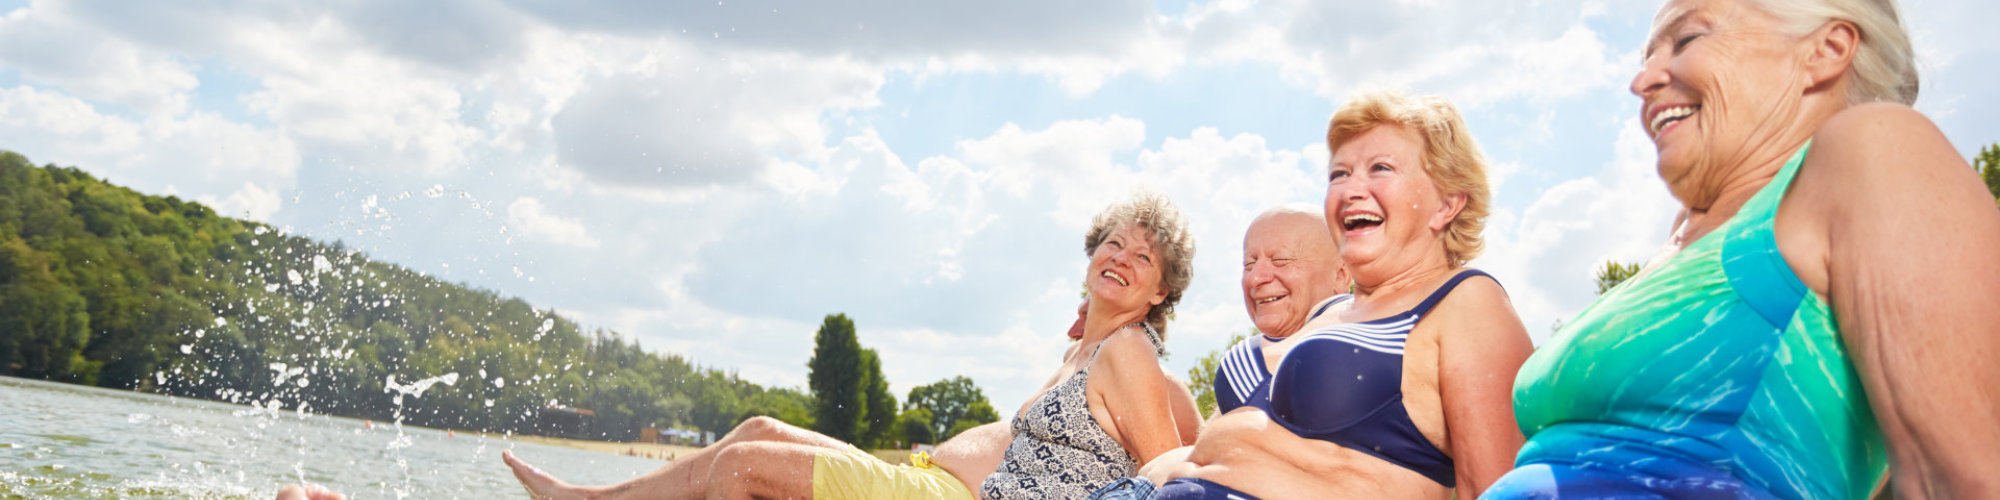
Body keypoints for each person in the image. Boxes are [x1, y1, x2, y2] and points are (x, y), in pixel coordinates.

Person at [1487, 0, 2000, 497]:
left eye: (1687, 39)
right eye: (1645, 59)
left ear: (1825, 50)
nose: (1641, 82)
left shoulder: (1877, 146)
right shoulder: (1686, 241)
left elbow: (1965, 480)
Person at [496, 191, 1203, 500]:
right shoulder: (1095, 349)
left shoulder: (1127, 353)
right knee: (758, 428)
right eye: (1112, 242)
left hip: (946, 495)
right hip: (929, 477)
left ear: (1161, 293)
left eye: (1143, 258)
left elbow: (1170, 463)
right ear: (1088, 255)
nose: (1121, 256)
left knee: (742, 469)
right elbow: (1182, 423)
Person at [1122, 90, 1535, 500]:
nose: (1350, 189)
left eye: (1380, 168)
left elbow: (1498, 491)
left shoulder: (1466, 301)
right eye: (1339, 174)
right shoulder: (1330, 315)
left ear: (1447, 204)